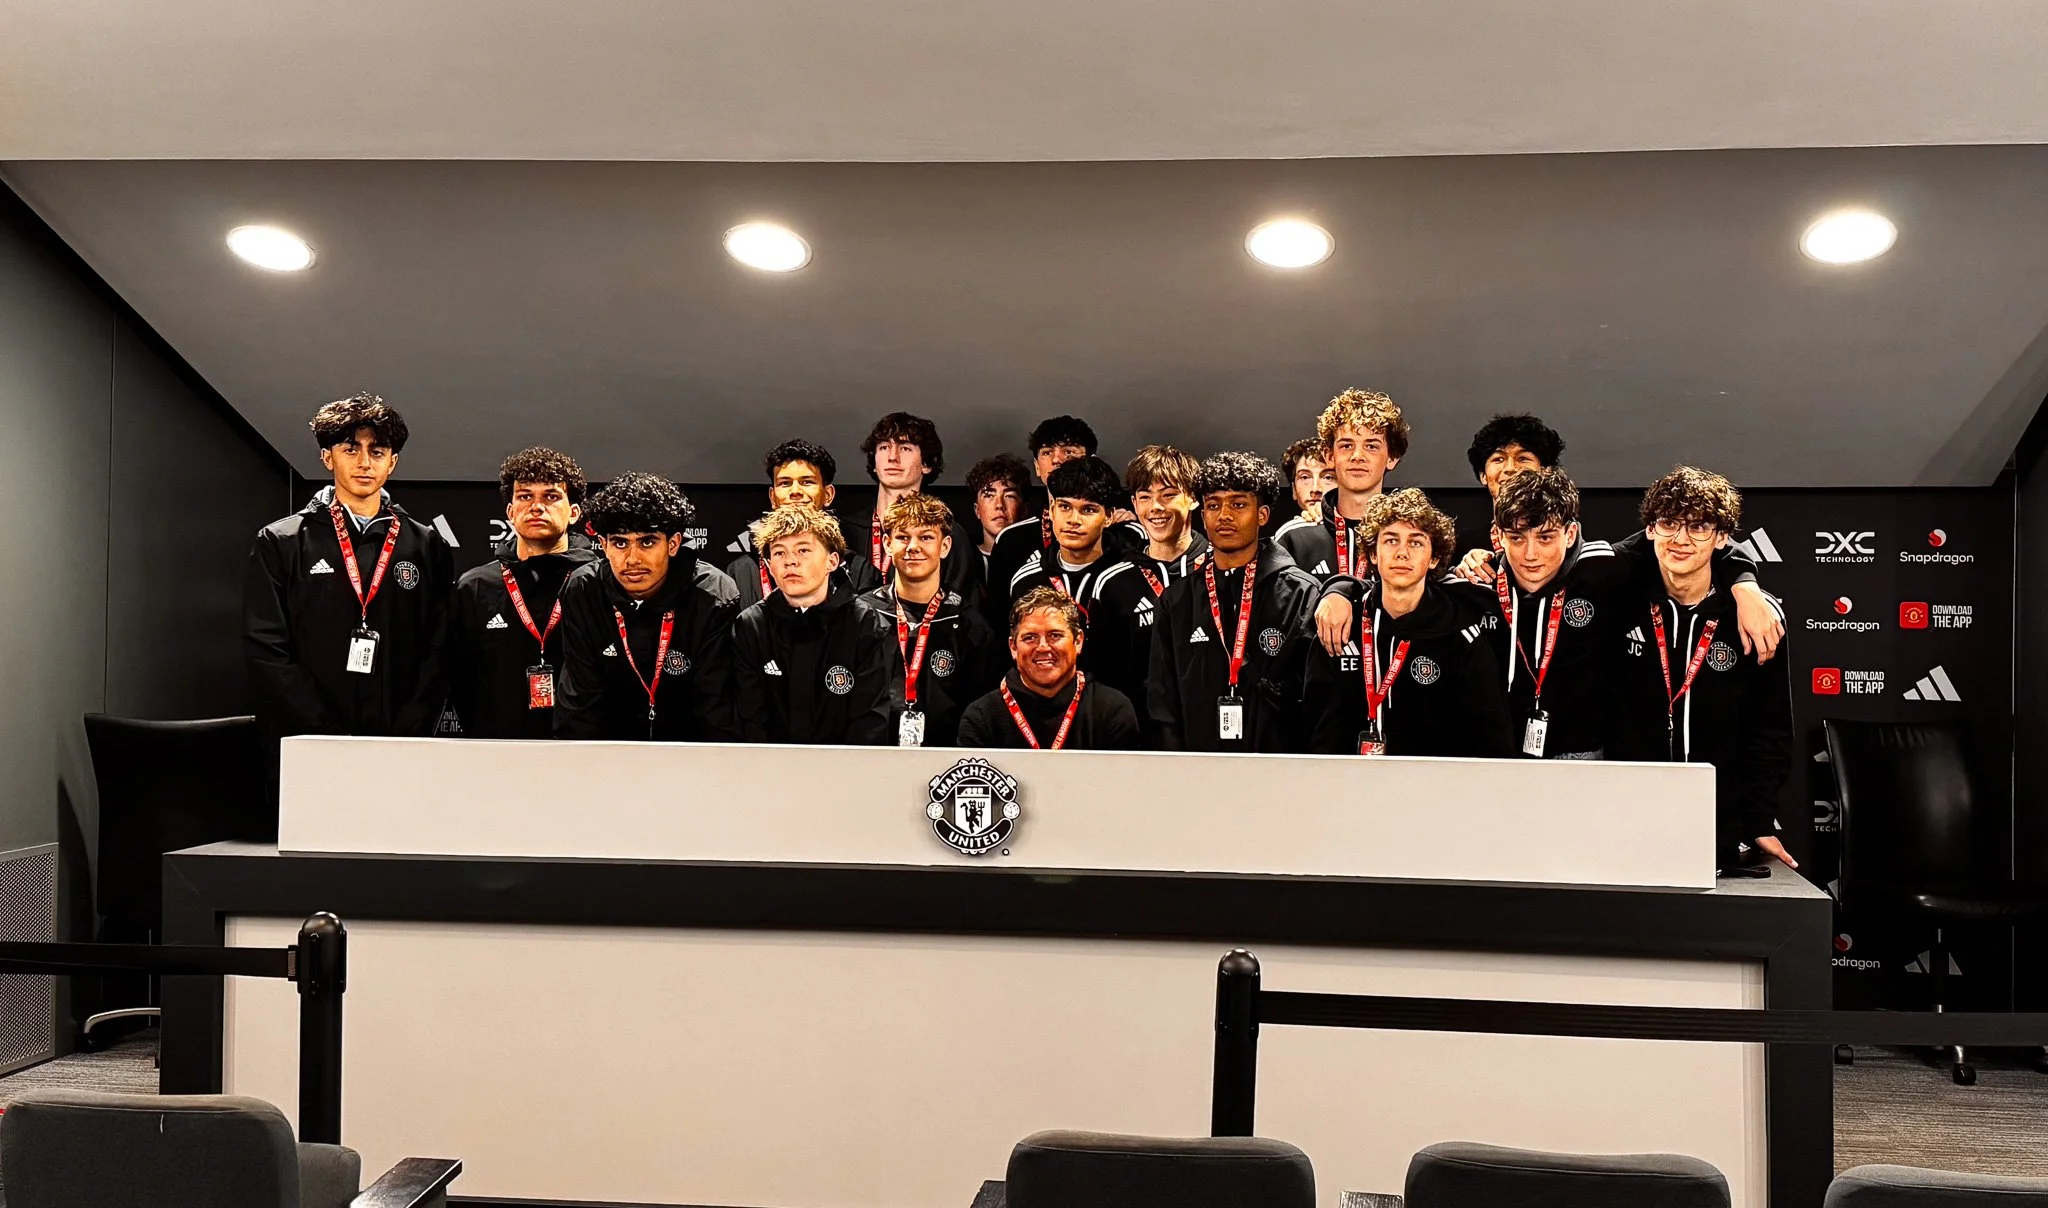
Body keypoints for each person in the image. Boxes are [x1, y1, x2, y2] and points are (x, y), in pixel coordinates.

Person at [1317, 467, 1782, 758]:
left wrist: (1745, 584)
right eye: (1517, 539)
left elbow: (1684, 544)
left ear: (1572, 531)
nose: (1531, 554)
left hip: (1582, 757)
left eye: (1545, 537)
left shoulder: (1605, 569)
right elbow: (1397, 582)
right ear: (1498, 537)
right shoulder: (1473, 586)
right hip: (1492, 760)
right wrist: (1339, 589)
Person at [1607, 467, 1795, 871]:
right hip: (1627, 813)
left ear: (1723, 537)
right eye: (1669, 523)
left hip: (1719, 822)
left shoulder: (1757, 620)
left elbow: (1771, 728)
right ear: (1650, 530)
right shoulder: (1617, 599)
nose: (1681, 539)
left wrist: (1758, 817)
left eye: (1699, 527)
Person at [243, 393, 454, 740]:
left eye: (377, 451)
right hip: (308, 739)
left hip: (400, 739)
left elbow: (440, 646)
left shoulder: (426, 545)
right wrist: (319, 729)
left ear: (393, 461)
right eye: (351, 449)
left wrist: (412, 722)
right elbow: (266, 647)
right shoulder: (282, 541)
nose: (365, 463)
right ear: (327, 457)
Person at [1304, 489, 1514, 757]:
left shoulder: (1462, 634)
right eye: (1391, 540)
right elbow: (1315, 726)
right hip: (1350, 787)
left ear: (1434, 558)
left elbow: (1491, 735)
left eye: (1416, 543)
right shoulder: (1341, 623)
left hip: (1434, 789)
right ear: (1372, 554)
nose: (1402, 553)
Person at [1148, 452, 1320, 751]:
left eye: (1238, 504)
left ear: (1263, 515)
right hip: (1198, 771)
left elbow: (1318, 701)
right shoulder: (1177, 601)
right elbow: (1163, 704)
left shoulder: (1300, 594)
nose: (1224, 515)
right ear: (1203, 516)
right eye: (1214, 505)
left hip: (1281, 772)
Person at [554, 473, 740, 741]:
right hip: (608, 753)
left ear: (673, 544)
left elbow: (716, 709)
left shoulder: (713, 596)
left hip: (689, 751)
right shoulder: (583, 590)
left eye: (647, 542)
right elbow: (579, 702)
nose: (632, 559)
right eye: (620, 543)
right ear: (603, 545)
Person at [448, 447, 602, 739]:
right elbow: (458, 680)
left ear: (574, 513)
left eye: (551, 496)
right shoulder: (475, 587)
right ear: (510, 512)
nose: (536, 506)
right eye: (525, 496)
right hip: (495, 752)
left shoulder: (600, 584)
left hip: (585, 755)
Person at [731, 504, 900, 744]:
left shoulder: (866, 624)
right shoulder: (751, 626)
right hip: (770, 769)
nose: (790, 562)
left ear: (832, 561)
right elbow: (751, 720)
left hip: (844, 771)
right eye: (779, 553)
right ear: (768, 565)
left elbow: (869, 721)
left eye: (803, 551)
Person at [1004, 456, 1155, 706]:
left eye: (1088, 510)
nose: (1073, 520)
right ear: (1051, 510)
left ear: (1108, 517)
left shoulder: (1138, 575)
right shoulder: (1026, 580)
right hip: (1045, 716)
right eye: (1064, 507)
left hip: (1122, 716)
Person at [861, 493, 1003, 747]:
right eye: (903, 537)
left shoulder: (969, 626)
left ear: (945, 546)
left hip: (947, 762)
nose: (913, 546)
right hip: (872, 757)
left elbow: (982, 710)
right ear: (886, 544)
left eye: (926, 537)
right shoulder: (861, 617)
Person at [984, 415, 1142, 625]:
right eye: (1047, 452)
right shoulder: (1012, 540)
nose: (1057, 460)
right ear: (1037, 466)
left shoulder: (1127, 533)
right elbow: (999, 624)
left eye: (1068, 451)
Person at [956, 586, 1142, 750]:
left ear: (1078, 641)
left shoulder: (1112, 710)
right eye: (1030, 637)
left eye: (1054, 635)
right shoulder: (981, 717)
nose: (1043, 647)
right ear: (1013, 647)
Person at [842, 412, 982, 604]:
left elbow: (962, 608)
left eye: (905, 448)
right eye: (884, 447)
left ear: (926, 464)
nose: (892, 457)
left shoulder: (949, 533)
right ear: (874, 463)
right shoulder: (843, 531)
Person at [1275, 388, 1410, 580]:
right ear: (1330, 456)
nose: (1357, 457)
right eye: (1346, 446)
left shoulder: (1412, 537)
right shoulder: (1295, 538)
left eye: (1371, 446)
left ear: (1392, 457)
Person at [726, 439, 847, 607]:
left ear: (828, 494)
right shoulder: (741, 571)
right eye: (785, 483)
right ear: (772, 497)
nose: (795, 492)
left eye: (807, 482)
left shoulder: (857, 568)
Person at [1125, 445, 1208, 590]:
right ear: (1135, 504)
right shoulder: (1115, 582)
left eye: (1168, 495)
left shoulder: (1222, 565)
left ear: (1193, 498)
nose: (1155, 506)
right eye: (1145, 497)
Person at [1466, 414, 1566, 498]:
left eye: (1523, 458)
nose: (1510, 468)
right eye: (1499, 459)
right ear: (1483, 475)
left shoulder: (1566, 522)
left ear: (1545, 471)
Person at [964, 453, 1029, 577]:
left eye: (1009, 496)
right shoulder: (961, 559)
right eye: (989, 496)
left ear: (1024, 509)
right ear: (977, 510)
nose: (999, 505)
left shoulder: (1036, 560)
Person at [1282, 437, 1335, 526]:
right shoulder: (1289, 534)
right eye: (1305, 477)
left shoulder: (1363, 527)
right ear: (1294, 489)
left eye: (1328, 478)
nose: (1315, 489)